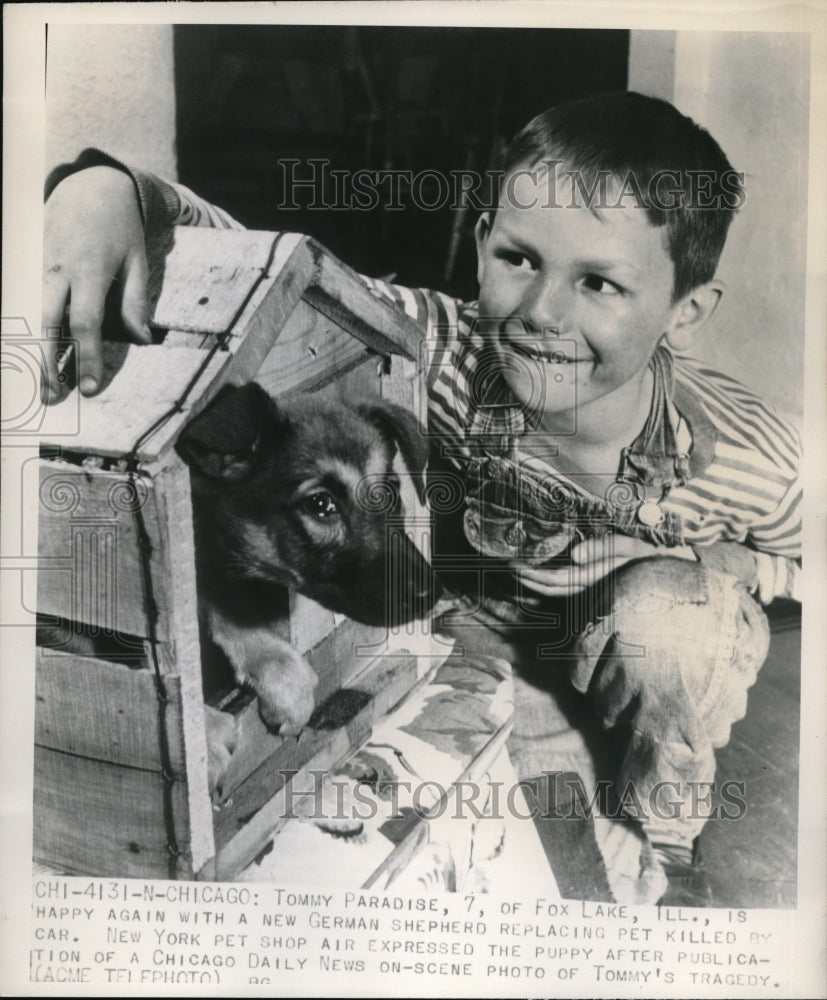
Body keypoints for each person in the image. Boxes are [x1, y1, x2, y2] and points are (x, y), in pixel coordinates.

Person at [41, 91, 801, 905]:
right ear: (480, 245)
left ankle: (669, 839)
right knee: (524, 824)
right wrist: (101, 191)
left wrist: (728, 565)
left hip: (642, 644)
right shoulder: (437, 348)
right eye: (519, 259)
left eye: (599, 284)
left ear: (683, 313)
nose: (543, 313)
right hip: (500, 636)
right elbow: (275, 261)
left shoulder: (749, 454)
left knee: (669, 625)